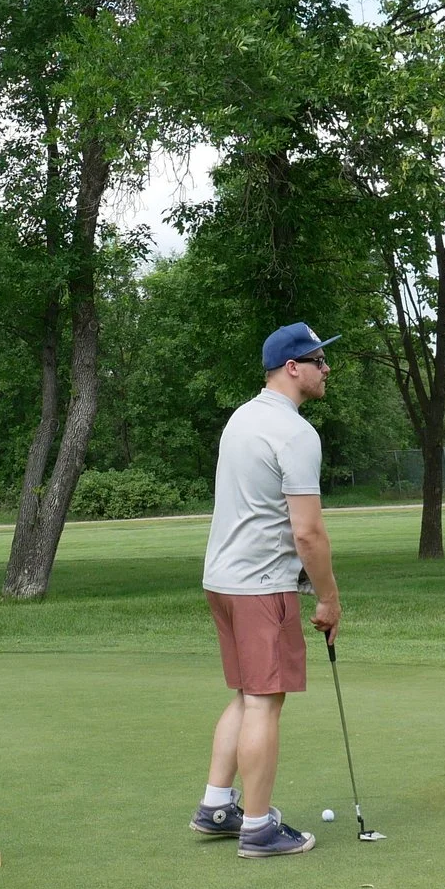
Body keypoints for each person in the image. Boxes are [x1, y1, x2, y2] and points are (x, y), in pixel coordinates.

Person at [193, 322, 345, 857]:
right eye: (319, 361)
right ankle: (257, 827)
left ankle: (218, 806)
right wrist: (328, 598)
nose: (328, 370)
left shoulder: (242, 417)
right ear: (293, 367)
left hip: (222, 580)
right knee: (264, 700)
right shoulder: (296, 434)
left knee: (245, 693)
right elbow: (307, 531)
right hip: (260, 586)